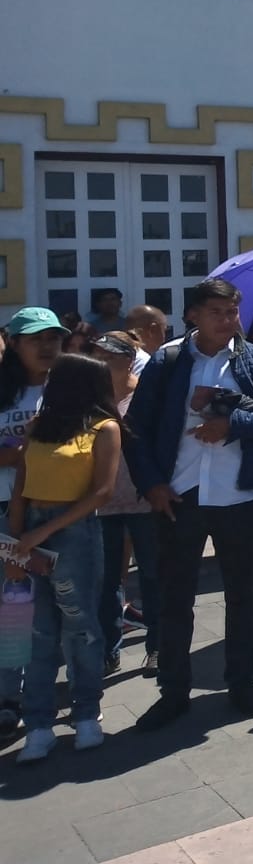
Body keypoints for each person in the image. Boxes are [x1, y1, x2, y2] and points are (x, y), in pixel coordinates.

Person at [125, 278, 253, 730]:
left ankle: (241, 683)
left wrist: (232, 424)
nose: (228, 320)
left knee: (242, 592)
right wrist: (152, 484)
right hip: (179, 494)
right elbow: (135, 429)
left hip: (236, 494)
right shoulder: (167, 361)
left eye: (233, 311)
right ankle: (173, 691)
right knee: (174, 596)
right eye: (218, 312)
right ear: (193, 316)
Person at [7, 354, 122, 763]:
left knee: (80, 626)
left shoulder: (104, 429)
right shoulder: (39, 428)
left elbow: (102, 492)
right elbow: (20, 486)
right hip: (32, 526)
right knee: (35, 632)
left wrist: (43, 532)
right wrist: (14, 542)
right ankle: (39, 723)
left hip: (74, 531)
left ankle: (86, 713)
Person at [0, 308, 68, 736]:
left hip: (61, 510)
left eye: (53, 338)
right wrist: (27, 449)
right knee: (13, 608)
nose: (46, 347)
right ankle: (9, 697)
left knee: (61, 608)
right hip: (7, 512)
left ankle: (55, 690)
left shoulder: (70, 389)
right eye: (35, 338)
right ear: (14, 343)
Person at [89, 332, 161, 678]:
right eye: (97, 357)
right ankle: (108, 650)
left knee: (152, 573)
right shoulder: (89, 399)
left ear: (128, 360)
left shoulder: (145, 395)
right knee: (106, 580)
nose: (100, 364)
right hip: (102, 503)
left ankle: (158, 645)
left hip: (143, 499)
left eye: (108, 358)